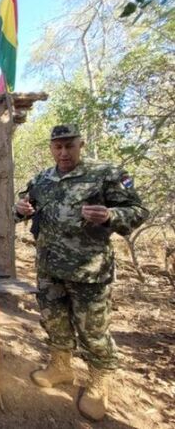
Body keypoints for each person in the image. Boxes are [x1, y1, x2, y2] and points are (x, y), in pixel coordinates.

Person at [14, 124, 148, 421]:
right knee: (54, 321)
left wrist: (111, 215)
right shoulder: (42, 178)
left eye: (69, 146)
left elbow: (138, 211)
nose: (63, 152)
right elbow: (20, 208)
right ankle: (60, 367)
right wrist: (21, 208)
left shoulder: (107, 173)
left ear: (80, 145)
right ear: (51, 147)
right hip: (49, 268)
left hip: (89, 270)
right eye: (57, 147)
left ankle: (98, 383)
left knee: (93, 330)